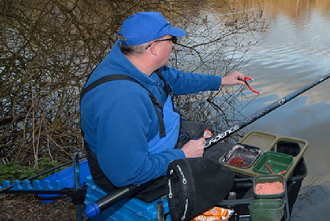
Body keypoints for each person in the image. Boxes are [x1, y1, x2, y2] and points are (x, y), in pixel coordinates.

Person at [80, 11, 246, 193]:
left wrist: (222, 80)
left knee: (203, 131)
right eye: (171, 40)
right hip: (135, 178)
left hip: (154, 142)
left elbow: (175, 80)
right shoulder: (123, 102)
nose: (174, 45)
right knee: (224, 167)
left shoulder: (134, 62)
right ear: (154, 48)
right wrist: (183, 154)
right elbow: (128, 174)